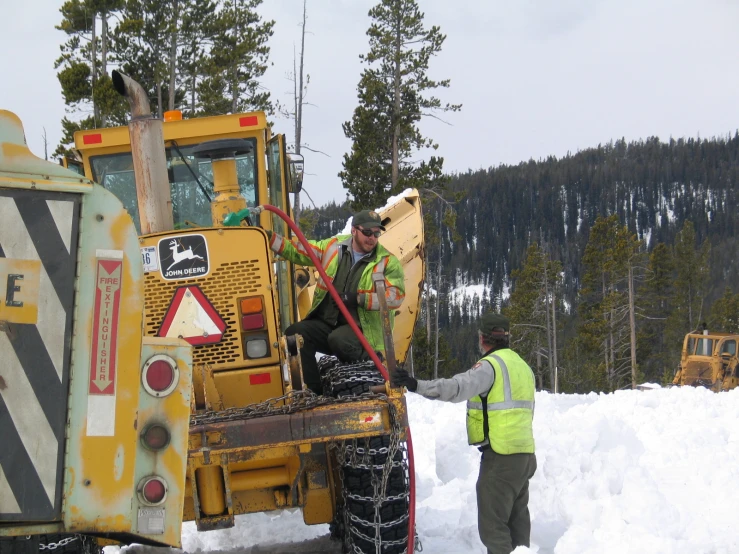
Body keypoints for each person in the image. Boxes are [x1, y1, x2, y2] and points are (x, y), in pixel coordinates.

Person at [392, 313, 536, 554]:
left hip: (501, 456)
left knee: (493, 527)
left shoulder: (490, 366)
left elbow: (457, 388)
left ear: (483, 338)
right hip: (525, 456)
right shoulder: (523, 366)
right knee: (517, 520)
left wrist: (416, 384)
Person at [266, 209, 405, 394]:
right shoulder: (332, 248)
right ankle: (314, 392)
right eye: (367, 232)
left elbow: (396, 297)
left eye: (376, 234)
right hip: (329, 322)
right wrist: (267, 237)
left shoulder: (387, 262)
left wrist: (359, 298)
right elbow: (298, 250)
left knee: (338, 339)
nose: (372, 238)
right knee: (295, 335)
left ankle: (372, 363)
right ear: (354, 230)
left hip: (362, 330)